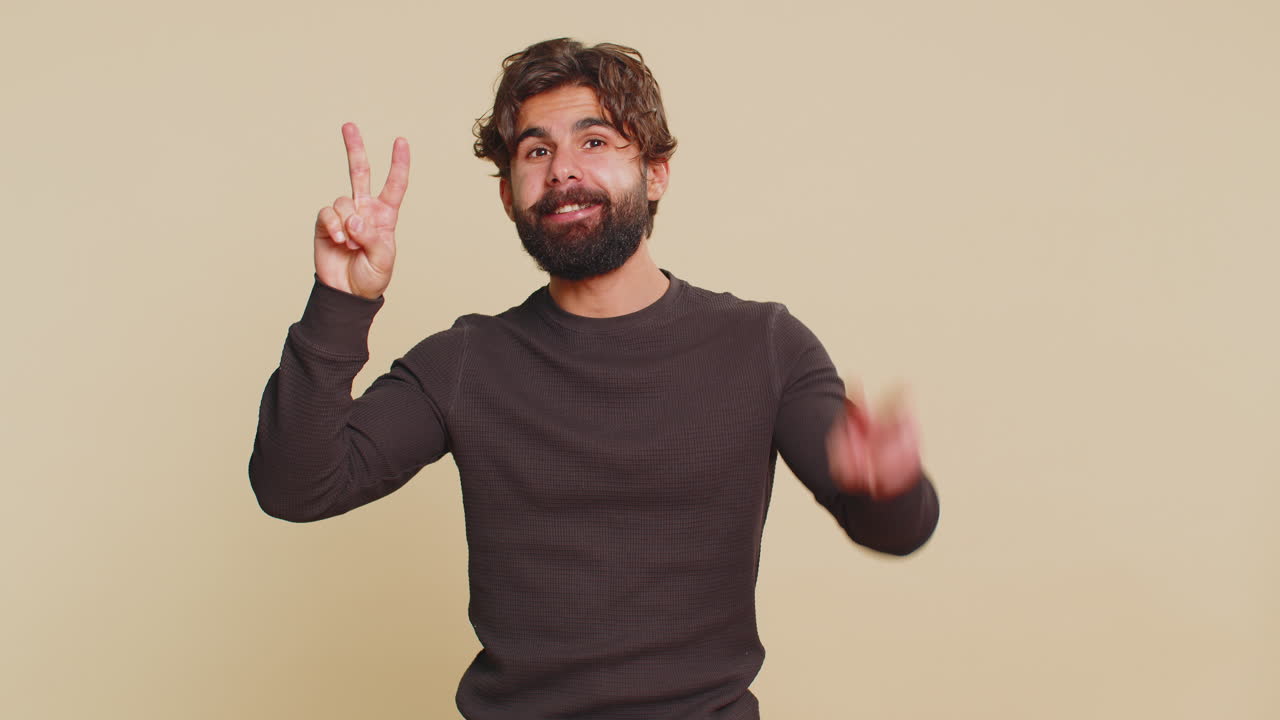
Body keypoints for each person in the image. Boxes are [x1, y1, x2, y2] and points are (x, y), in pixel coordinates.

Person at [249, 38, 939, 720]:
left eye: (596, 142)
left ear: (657, 172)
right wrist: (341, 300)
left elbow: (895, 528)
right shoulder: (464, 361)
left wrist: (888, 484)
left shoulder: (764, 344)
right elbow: (296, 488)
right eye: (537, 150)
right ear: (508, 195)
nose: (562, 171)